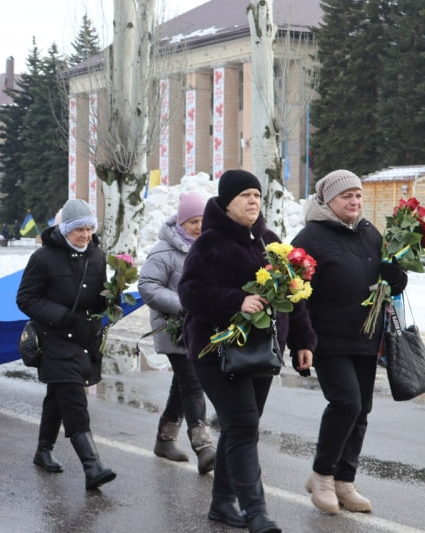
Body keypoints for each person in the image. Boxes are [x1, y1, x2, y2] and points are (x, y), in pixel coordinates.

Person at [178, 170, 316, 533]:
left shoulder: (270, 242)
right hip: (214, 350)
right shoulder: (208, 243)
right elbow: (189, 292)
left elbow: (291, 295)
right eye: (245, 196)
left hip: (261, 352)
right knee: (242, 426)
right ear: (227, 203)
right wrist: (235, 301)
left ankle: (222, 504)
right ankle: (256, 511)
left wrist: (303, 341)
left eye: (257, 194)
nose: (253, 201)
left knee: (241, 428)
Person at [291, 170, 407, 515]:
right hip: (326, 338)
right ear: (328, 201)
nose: (354, 202)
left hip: (365, 337)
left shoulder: (370, 233)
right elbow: (294, 295)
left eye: (357, 195)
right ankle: (322, 475)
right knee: (346, 403)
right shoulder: (309, 237)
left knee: (362, 410)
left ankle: (345, 479)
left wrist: (395, 279)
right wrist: (301, 340)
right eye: (346, 196)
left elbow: (386, 281)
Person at [16, 198, 116, 490]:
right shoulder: (44, 258)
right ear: (65, 230)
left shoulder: (97, 255)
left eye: (89, 228)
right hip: (54, 338)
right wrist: (62, 317)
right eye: (78, 230)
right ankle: (92, 465)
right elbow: (25, 299)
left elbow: (100, 295)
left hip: (84, 338)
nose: (85, 235)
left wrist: (113, 300)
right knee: (72, 396)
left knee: (59, 395)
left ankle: (43, 450)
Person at [138, 192, 216, 474]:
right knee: (193, 381)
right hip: (174, 328)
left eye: (202, 221)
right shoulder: (164, 250)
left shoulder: (209, 246)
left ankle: (164, 439)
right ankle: (203, 445)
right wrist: (184, 305)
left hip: (202, 328)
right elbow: (147, 285)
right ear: (181, 222)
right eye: (193, 221)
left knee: (183, 384)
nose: (198, 226)